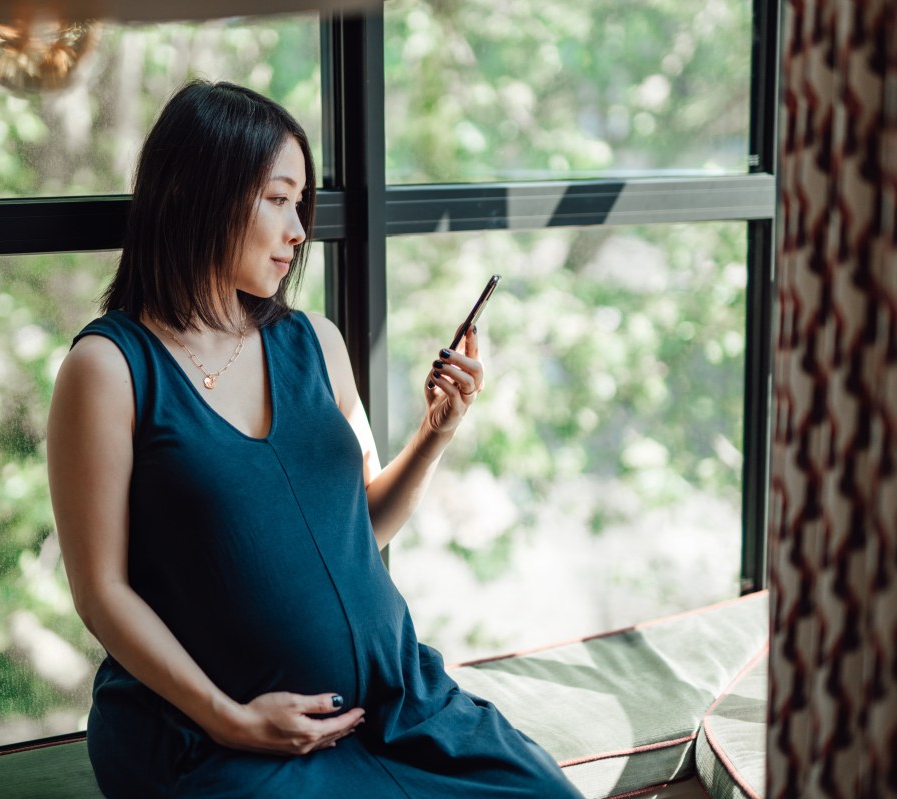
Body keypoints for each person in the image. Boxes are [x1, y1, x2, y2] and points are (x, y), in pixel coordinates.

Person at [46, 80, 583, 798]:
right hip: (217, 736)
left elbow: (363, 521)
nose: (299, 230)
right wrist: (228, 716)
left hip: (403, 709)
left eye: (301, 203)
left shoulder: (313, 342)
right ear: (197, 193)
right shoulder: (108, 369)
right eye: (277, 198)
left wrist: (434, 434)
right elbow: (100, 592)